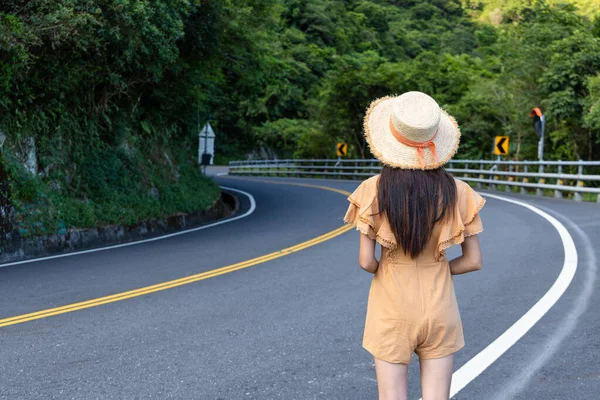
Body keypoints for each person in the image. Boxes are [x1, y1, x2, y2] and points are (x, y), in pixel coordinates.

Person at [344, 91, 485, 400]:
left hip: (391, 305)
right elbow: (473, 260)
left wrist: (392, 267)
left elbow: (366, 261)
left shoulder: (372, 190)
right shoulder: (459, 192)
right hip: (440, 306)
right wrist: (436, 266)